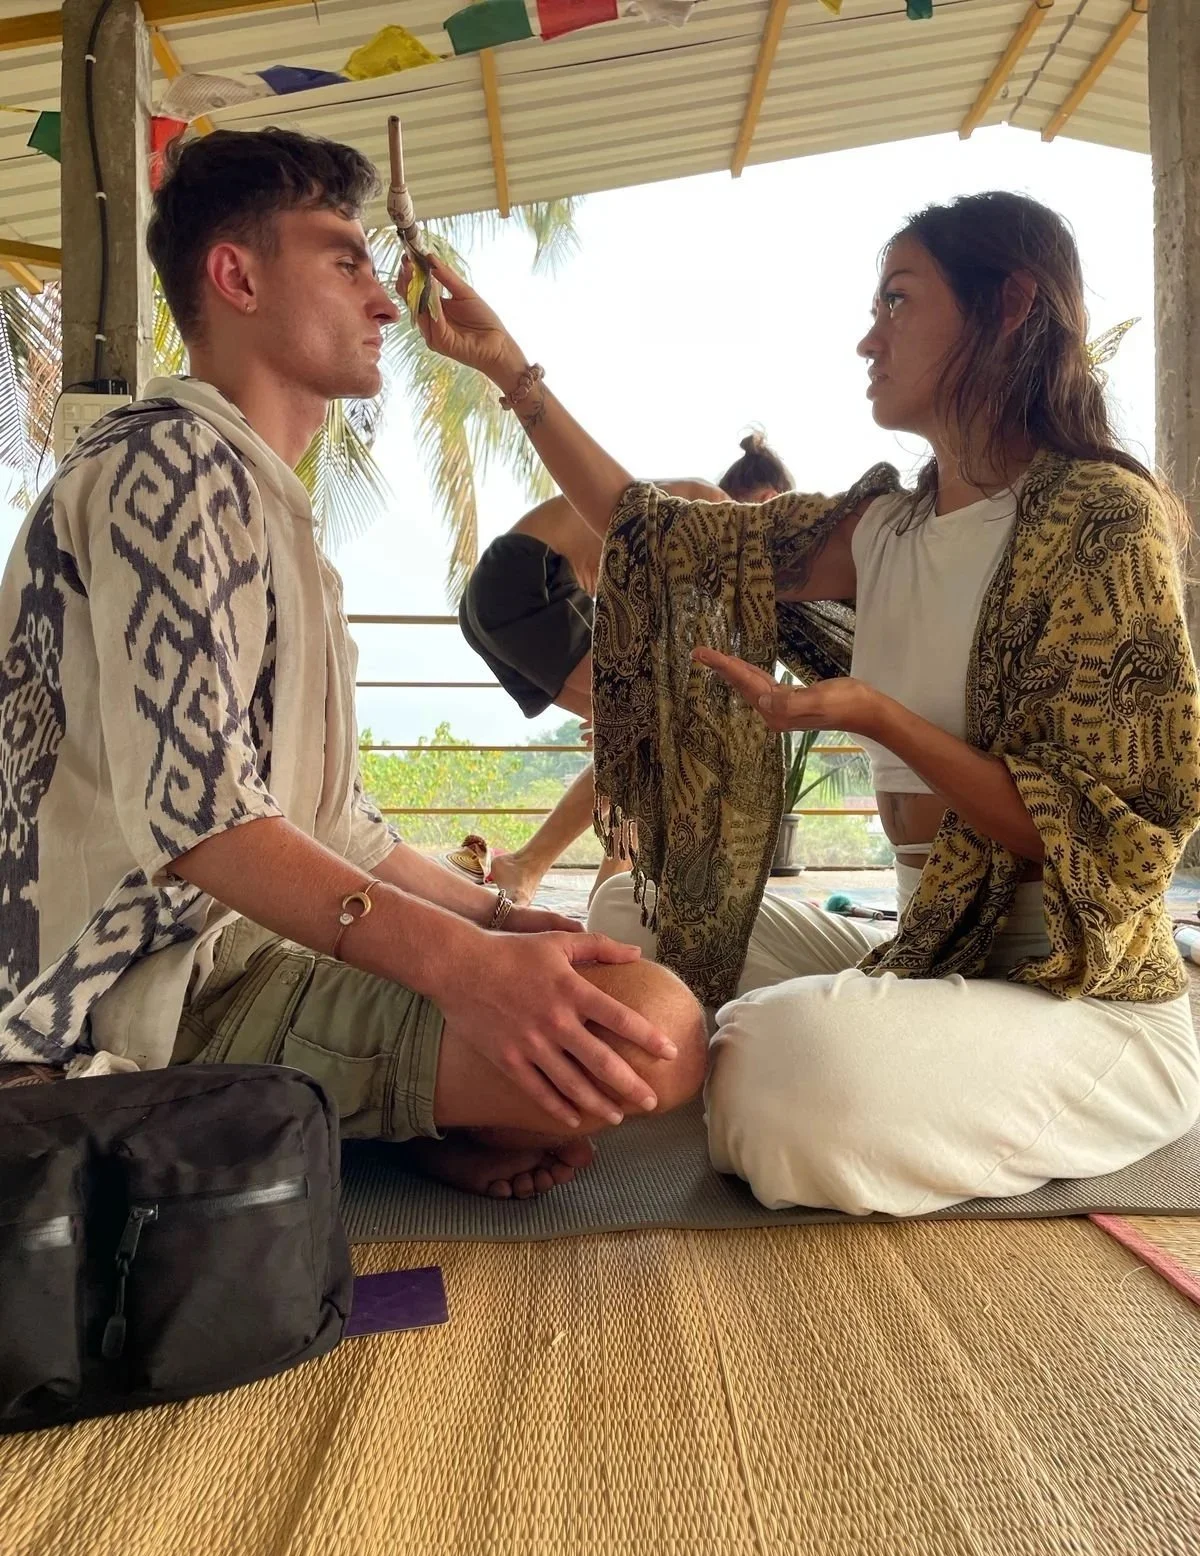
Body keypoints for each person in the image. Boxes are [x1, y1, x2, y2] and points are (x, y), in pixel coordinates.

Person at [403, 189, 1200, 1217]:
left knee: (781, 1067)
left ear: (1009, 306)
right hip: (924, 944)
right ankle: (799, 1047)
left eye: (900, 302)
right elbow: (656, 532)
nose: (870, 337)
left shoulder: (1103, 521)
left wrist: (877, 716)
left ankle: (802, 1058)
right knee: (618, 920)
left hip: (1077, 991)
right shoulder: (887, 526)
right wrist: (513, 371)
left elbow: (1121, 841)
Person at [0, 127, 708, 1200]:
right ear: (234, 275)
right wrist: (472, 971)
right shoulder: (169, 467)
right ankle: (161, 1111)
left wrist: (505, 921)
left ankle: (354, 1123)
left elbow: (333, 825)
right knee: (656, 1034)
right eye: (344, 259)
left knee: (608, 997)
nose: (385, 302)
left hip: (247, 952)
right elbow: (204, 825)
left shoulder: (263, 504)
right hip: (140, 989)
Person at [449, 434, 796, 907]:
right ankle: (553, 875)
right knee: (655, 730)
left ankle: (607, 897)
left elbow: (668, 648)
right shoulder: (711, 508)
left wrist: (629, 714)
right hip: (530, 581)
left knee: (646, 740)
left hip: (501, 594)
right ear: (771, 501)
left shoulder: (696, 525)